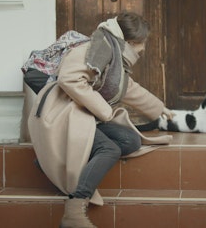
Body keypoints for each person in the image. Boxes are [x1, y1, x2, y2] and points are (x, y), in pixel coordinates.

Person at [27, 12, 173, 227]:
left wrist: (159, 108)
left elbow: (128, 88)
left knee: (130, 141)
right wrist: (104, 111)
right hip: (63, 114)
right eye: (143, 43)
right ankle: (74, 212)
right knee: (109, 150)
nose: (143, 49)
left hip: (82, 114)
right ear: (132, 42)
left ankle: (55, 160)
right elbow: (70, 79)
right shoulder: (93, 49)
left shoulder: (113, 55)